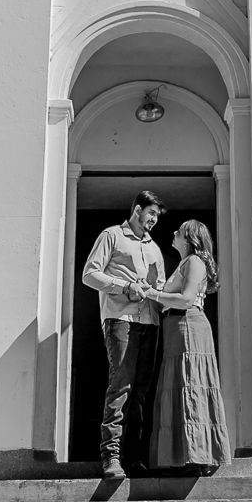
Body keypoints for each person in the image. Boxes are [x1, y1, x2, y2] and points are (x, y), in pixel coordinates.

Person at [80, 190, 166, 479]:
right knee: (121, 386)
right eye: (151, 213)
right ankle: (111, 456)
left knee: (141, 391)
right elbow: (90, 274)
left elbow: (161, 285)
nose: (154, 220)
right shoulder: (112, 236)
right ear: (138, 209)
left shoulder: (154, 248)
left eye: (156, 216)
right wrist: (124, 286)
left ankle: (136, 457)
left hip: (150, 322)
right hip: (120, 320)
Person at [142, 219, 231, 474]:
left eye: (178, 231)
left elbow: (186, 299)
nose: (173, 232)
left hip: (188, 325)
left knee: (190, 384)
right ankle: (187, 455)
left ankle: (195, 456)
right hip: (177, 328)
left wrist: (152, 293)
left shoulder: (194, 261)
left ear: (190, 239)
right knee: (182, 385)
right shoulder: (184, 263)